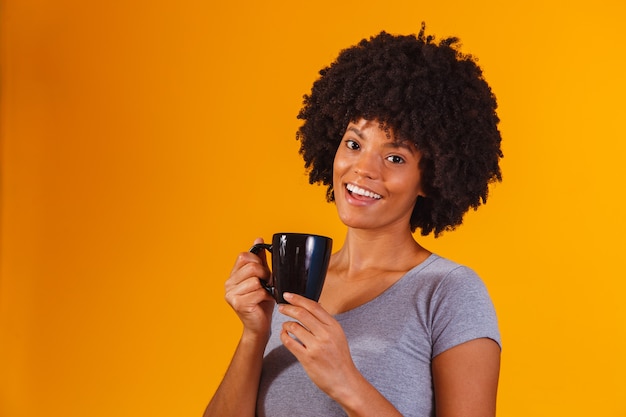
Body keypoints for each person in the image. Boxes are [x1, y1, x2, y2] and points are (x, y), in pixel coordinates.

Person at [204, 23, 503, 417]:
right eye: (354, 143)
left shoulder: (449, 293)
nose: (363, 169)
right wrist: (254, 333)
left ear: (430, 179)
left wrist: (346, 382)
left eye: (395, 157)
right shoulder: (295, 284)